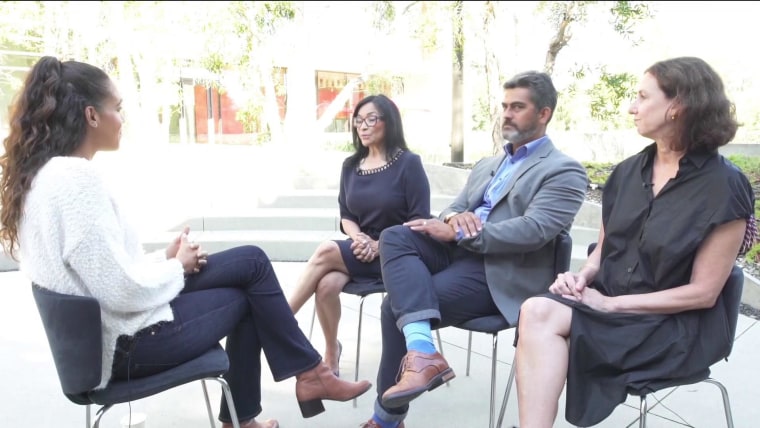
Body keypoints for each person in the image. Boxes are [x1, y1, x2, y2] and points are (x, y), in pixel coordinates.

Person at [0, 56, 373, 428]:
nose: (122, 118)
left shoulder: (46, 177)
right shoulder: (75, 181)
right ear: (91, 116)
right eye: (117, 108)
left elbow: (103, 273)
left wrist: (165, 260)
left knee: (252, 263)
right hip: (128, 345)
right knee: (250, 295)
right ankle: (287, 390)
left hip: (108, 336)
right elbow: (119, 291)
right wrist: (177, 267)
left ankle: (301, 380)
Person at [514, 56, 756, 428]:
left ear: (678, 105)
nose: (632, 107)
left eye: (643, 97)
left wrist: (611, 305)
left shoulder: (724, 186)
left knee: (543, 325)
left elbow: (703, 293)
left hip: (673, 325)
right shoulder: (627, 173)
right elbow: (603, 251)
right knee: (535, 310)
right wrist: (582, 277)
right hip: (607, 303)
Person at [359, 71, 588, 428]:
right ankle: (422, 353)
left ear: (544, 113)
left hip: (499, 272)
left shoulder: (564, 170)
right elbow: (453, 208)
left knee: (395, 307)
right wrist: (454, 218)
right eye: (504, 106)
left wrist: (461, 235)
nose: (506, 114)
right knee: (395, 236)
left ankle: (387, 418)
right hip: (457, 255)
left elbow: (536, 231)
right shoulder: (488, 164)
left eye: (517, 107)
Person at [287, 94, 431, 376]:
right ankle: (331, 350)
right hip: (360, 249)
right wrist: (359, 239)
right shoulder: (350, 166)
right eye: (358, 121)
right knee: (326, 285)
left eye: (371, 119)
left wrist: (379, 245)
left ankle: (280, 322)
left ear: (389, 122)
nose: (363, 126)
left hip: (398, 254)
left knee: (327, 250)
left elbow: (419, 219)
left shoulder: (409, 163)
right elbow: (346, 216)